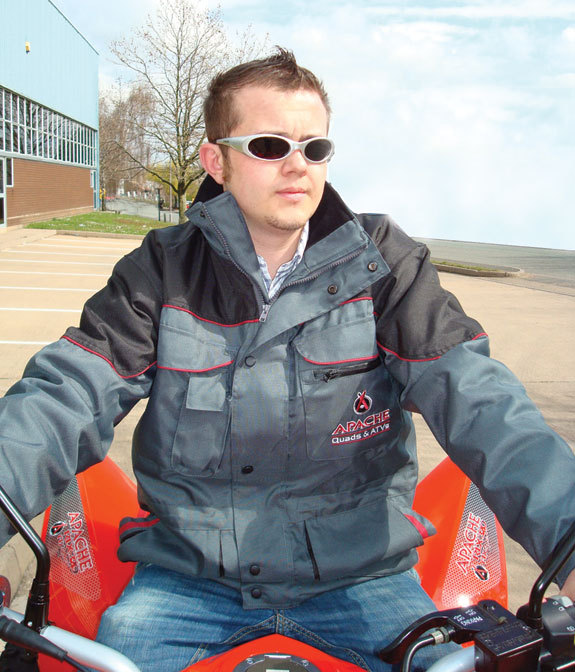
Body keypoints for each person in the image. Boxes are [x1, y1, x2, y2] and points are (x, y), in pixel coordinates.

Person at [1, 48, 574, 672]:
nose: (298, 165)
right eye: (270, 145)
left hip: (363, 580)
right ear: (215, 161)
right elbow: (64, 397)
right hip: (188, 583)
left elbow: (482, 402)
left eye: (315, 147)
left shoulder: (386, 265)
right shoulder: (160, 270)